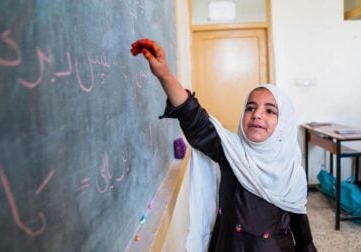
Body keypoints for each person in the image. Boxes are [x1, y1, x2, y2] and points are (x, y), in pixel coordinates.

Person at [131, 38, 317, 252]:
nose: (257, 114)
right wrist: (164, 73)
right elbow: (195, 120)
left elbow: (302, 231)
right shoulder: (231, 152)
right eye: (250, 107)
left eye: (270, 111)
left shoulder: (292, 168)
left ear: (284, 123)